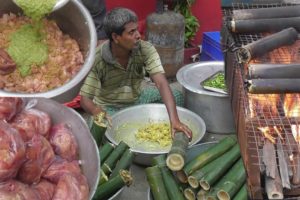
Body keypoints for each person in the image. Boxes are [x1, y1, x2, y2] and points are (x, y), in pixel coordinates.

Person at [80, 7, 192, 139]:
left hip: (138, 99)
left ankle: (168, 126)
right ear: (116, 37)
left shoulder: (145, 49)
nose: (138, 35)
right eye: (131, 32)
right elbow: (85, 100)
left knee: (176, 96)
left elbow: (161, 83)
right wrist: (97, 111)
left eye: (137, 30)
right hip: (110, 107)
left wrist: (175, 120)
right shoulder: (97, 58)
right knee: (97, 126)